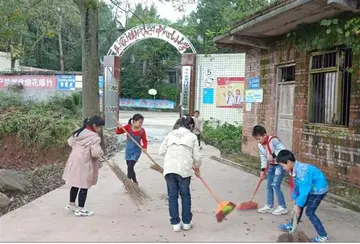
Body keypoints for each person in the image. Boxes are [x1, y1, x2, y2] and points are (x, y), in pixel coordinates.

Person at [159, 116, 201, 232]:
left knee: (172, 196)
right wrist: (197, 167)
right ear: (191, 125)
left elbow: (161, 151)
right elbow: (197, 157)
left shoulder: (170, 134)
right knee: (185, 195)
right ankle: (186, 223)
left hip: (169, 170)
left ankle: (175, 224)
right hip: (184, 170)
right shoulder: (192, 137)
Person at [277, 150, 329, 243]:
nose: (283, 168)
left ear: (288, 162)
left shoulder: (302, 172)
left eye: (282, 165)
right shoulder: (293, 169)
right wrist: (294, 198)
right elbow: (296, 185)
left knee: (309, 212)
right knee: (298, 205)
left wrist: (298, 204)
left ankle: (323, 236)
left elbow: (304, 190)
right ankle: (292, 225)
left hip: (318, 190)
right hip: (310, 188)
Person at [63, 115, 105, 217]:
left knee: (75, 182)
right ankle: (81, 209)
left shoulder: (78, 132)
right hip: (85, 163)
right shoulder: (94, 137)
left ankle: (71, 204)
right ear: (94, 125)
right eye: (99, 127)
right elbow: (95, 153)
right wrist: (101, 153)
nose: (100, 129)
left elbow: (70, 142)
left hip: (74, 161)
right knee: (84, 185)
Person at [252, 125, 288, 215]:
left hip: (280, 165)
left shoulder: (273, 140)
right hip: (271, 166)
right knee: (269, 186)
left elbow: (282, 149)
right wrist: (263, 170)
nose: (258, 141)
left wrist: (274, 155)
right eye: (256, 139)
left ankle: (283, 207)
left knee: (276, 185)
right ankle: (269, 206)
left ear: (264, 135)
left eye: (259, 138)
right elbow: (263, 157)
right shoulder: (260, 145)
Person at [116, 113, 147, 185]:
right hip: (128, 150)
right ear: (134, 121)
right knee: (130, 167)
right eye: (140, 122)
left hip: (136, 151)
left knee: (130, 166)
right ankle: (135, 182)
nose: (141, 124)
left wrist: (144, 147)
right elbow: (118, 132)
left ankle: (128, 183)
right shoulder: (128, 127)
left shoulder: (142, 131)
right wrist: (119, 127)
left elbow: (145, 140)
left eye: (142, 123)